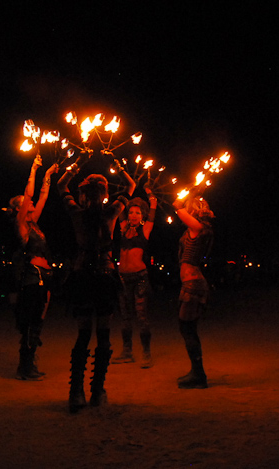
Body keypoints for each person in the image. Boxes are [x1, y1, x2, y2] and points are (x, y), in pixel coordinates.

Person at [57, 160, 128, 412]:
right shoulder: (111, 213)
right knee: (104, 333)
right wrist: (119, 168)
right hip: (105, 275)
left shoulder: (76, 212)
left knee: (84, 333)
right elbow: (130, 186)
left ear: (83, 194)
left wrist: (73, 167)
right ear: (105, 193)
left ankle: (76, 392)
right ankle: (97, 392)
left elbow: (60, 186)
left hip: (82, 276)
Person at [9, 155, 57, 381]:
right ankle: (24, 367)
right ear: (19, 208)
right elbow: (30, 194)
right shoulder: (22, 226)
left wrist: (47, 175)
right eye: (24, 203)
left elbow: (43, 196)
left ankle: (30, 362)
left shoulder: (34, 223)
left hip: (46, 276)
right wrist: (33, 169)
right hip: (32, 276)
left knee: (39, 320)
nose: (28, 203)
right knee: (30, 320)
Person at [172, 193, 214, 389]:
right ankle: (197, 372)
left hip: (193, 285)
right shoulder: (193, 229)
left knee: (186, 328)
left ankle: (199, 375)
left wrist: (181, 199)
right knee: (188, 329)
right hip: (190, 284)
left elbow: (177, 208)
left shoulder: (199, 228)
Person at [113, 186, 158, 368]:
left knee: (141, 317)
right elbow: (120, 209)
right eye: (131, 212)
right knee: (125, 317)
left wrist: (150, 194)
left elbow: (153, 208)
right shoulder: (123, 228)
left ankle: (146, 353)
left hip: (139, 278)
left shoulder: (145, 229)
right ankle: (127, 352)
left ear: (142, 215)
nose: (132, 215)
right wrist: (127, 190)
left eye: (137, 213)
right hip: (123, 278)